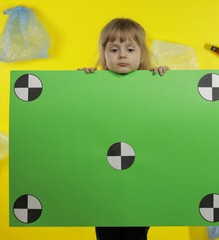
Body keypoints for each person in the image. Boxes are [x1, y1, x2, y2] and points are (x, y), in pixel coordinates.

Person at [77, 18, 169, 240]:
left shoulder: (152, 83)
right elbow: (80, 118)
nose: (122, 55)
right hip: (103, 182)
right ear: (104, 54)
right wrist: (79, 84)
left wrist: (164, 82)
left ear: (141, 54)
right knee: (106, 230)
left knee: (136, 231)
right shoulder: (94, 84)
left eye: (130, 49)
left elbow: (166, 117)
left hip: (140, 180)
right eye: (114, 49)